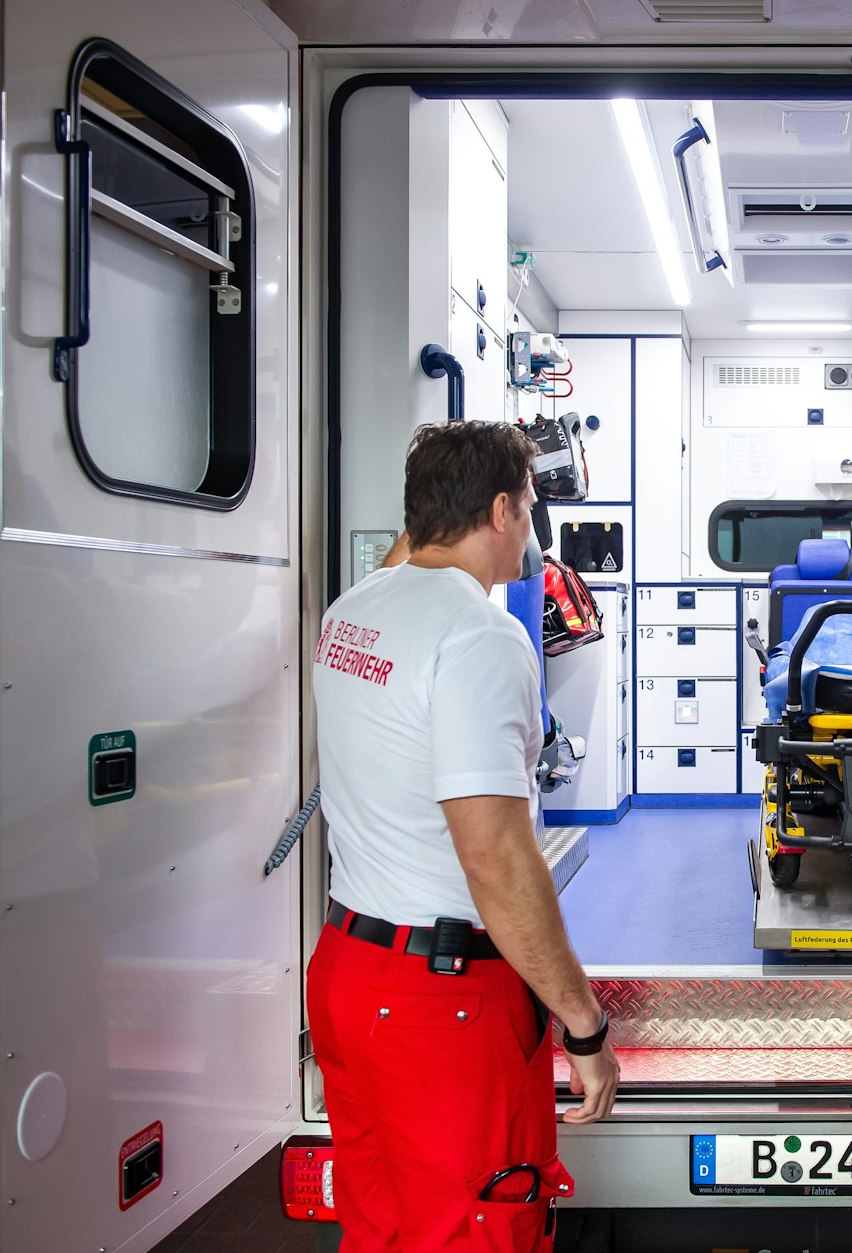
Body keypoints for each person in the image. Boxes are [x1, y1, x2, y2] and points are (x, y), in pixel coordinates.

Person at [306, 421, 619, 1252]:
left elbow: (408, 556)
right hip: (438, 1006)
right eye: (530, 505)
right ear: (502, 511)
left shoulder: (353, 610)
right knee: (478, 1229)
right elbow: (496, 860)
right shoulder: (479, 635)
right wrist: (583, 1025)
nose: (532, 526)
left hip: (347, 974)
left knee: (381, 1226)